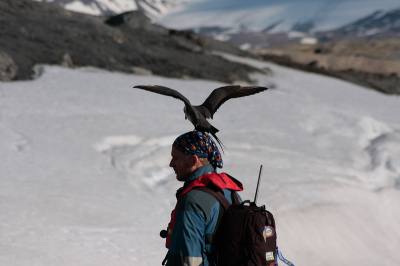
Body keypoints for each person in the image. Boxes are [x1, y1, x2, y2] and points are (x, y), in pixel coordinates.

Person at [163, 131, 243, 266]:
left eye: (176, 158)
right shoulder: (232, 194)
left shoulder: (192, 201)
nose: (171, 164)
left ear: (193, 160)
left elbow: (188, 260)